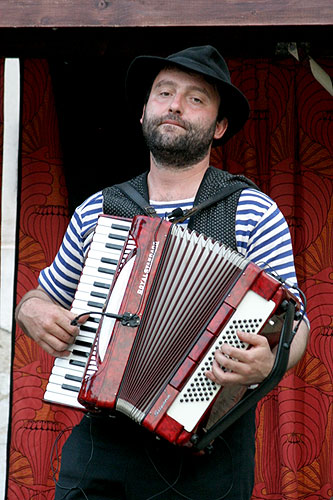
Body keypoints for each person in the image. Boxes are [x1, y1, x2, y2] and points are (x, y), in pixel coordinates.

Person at [15, 45, 309, 500]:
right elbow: (42, 297)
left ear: (219, 126)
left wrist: (271, 362)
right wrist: (32, 312)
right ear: (144, 113)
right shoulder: (99, 210)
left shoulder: (252, 210)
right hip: (103, 444)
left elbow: (296, 324)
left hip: (208, 450)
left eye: (196, 98)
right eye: (164, 92)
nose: (175, 104)